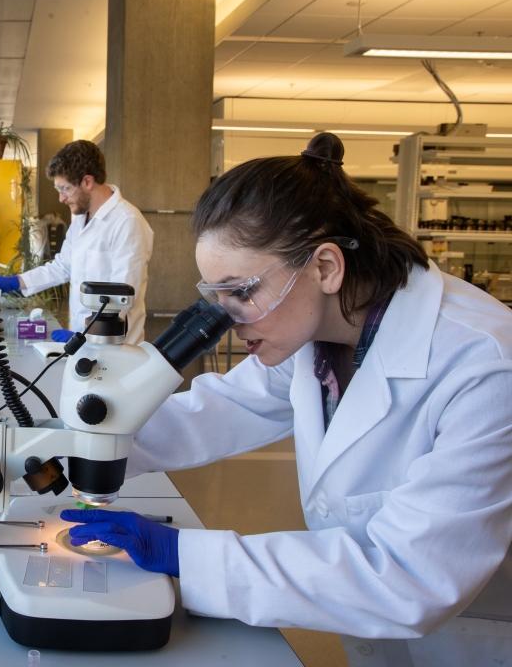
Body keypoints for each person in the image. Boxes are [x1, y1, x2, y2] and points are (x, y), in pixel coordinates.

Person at [63, 133, 512, 665]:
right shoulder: (318, 333)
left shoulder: (485, 366)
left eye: (243, 292)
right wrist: (79, 444)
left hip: (471, 643)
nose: (226, 318)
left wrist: (187, 555)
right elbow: (220, 409)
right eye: (215, 296)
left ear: (325, 267)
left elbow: (407, 576)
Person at [0, 140, 154, 344]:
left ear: (87, 182)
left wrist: (84, 334)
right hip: (83, 340)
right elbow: (62, 266)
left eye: (65, 189)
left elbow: (123, 296)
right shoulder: (81, 219)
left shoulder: (127, 222)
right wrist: (17, 282)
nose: (61, 198)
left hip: (113, 346)